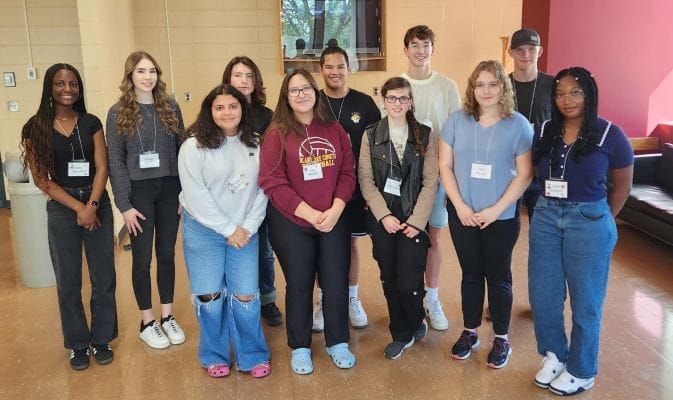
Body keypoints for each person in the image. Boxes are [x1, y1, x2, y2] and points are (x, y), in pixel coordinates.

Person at [528, 67, 633, 396]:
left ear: (589, 93)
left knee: (586, 301)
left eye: (575, 92)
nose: (567, 99)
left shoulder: (610, 134)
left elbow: (622, 187)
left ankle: (582, 369)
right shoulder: (545, 130)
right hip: (545, 216)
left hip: (587, 220)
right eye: (560, 93)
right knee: (543, 296)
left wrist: (599, 219)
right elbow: (534, 173)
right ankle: (555, 355)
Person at [20, 63, 117, 370]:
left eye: (73, 84)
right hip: (63, 208)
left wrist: (92, 204)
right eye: (60, 84)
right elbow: (42, 180)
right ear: (49, 87)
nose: (67, 89)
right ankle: (77, 344)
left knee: (103, 277)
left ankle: (101, 339)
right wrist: (79, 209)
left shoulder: (90, 122)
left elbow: (103, 166)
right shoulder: (35, 127)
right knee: (68, 280)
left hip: (96, 199)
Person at [259, 68, 356, 375]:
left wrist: (336, 208)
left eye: (306, 89)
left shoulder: (334, 129)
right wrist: (310, 214)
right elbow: (272, 182)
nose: (301, 94)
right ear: (286, 98)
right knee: (299, 285)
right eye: (294, 90)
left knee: (335, 283)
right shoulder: (276, 134)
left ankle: (337, 342)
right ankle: (299, 347)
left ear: (316, 92)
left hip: (333, 219)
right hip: (292, 223)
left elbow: (347, 172)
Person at [439, 60, 533, 368]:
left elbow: (525, 174)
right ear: (471, 88)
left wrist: (496, 209)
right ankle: (470, 331)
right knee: (470, 275)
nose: (486, 90)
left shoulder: (518, 124)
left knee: (499, 276)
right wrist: (461, 207)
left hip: (501, 218)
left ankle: (502, 337)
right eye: (479, 84)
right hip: (463, 215)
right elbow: (445, 167)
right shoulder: (456, 121)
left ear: (503, 87)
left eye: (493, 83)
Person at [178, 84, 271, 379]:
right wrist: (228, 229)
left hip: (245, 230)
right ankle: (214, 354)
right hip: (204, 231)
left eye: (233, 106)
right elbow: (195, 196)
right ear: (210, 111)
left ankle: (252, 355)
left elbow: (264, 188)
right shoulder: (193, 146)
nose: (227, 112)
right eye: (219, 107)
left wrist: (247, 227)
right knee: (210, 297)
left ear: (243, 110)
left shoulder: (255, 143)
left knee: (246, 295)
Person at [106, 51, 186, 349]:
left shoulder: (171, 107)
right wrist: (124, 205)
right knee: (142, 259)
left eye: (152, 71)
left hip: (169, 188)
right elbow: (115, 160)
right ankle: (147, 320)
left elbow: (182, 151)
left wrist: (184, 192)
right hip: (138, 193)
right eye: (141, 71)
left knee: (166, 253)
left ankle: (167, 316)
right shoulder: (117, 112)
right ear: (130, 76)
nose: (147, 76)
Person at [359, 77, 438, 359]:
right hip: (384, 221)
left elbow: (431, 182)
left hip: (413, 220)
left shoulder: (425, 136)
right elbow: (366, 182)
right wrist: (384, 216)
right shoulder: (370, 135)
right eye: (392, 98)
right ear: (384, 100)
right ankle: (402, 331)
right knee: (389, 278)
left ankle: (414, 321)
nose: (397, 103)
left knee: (409, 278)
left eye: (403, 98)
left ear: (411, 101)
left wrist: (416, 220)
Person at [312, 46, 381, 332]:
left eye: (341, 66)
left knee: (349, 244)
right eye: (329, 67)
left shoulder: (364, 104)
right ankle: (323, 300)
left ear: (348, 68)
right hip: (318, 191)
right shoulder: (312, 103)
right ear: (321, 70)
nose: (335, 72)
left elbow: (379, 150)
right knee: (319, 247)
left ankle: (351, 299)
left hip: (354, 191)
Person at [402, 25, 461, 330]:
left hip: (437, 176)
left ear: (432, 50)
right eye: (414, 45)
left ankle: (431, 297)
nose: (420, 50)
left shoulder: (447, 86)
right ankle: (409, 297)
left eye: (425, 45)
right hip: (405, 179)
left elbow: (455, 132)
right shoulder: (399, 86)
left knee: (435, 237)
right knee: (409, 237)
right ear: (406, 50)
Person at [222, 56, 283, 327]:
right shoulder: (221, 110)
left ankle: (267, 300)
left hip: (261, 193)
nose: (244, 81)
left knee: (263, 250)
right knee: (234, 244)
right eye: (238, 75)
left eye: (249, 75)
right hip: (230, 195)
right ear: (228, 80)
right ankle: (238, 298)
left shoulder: (266, 115)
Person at [508, 28, 554, 220]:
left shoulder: (553, 85)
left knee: (542, 225)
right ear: (510, 52)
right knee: (506, 222)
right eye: (520, 50)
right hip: (508, 167)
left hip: (541, 167)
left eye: (531, 49)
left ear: (540, 51)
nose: (526, 55)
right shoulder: (500, 85)